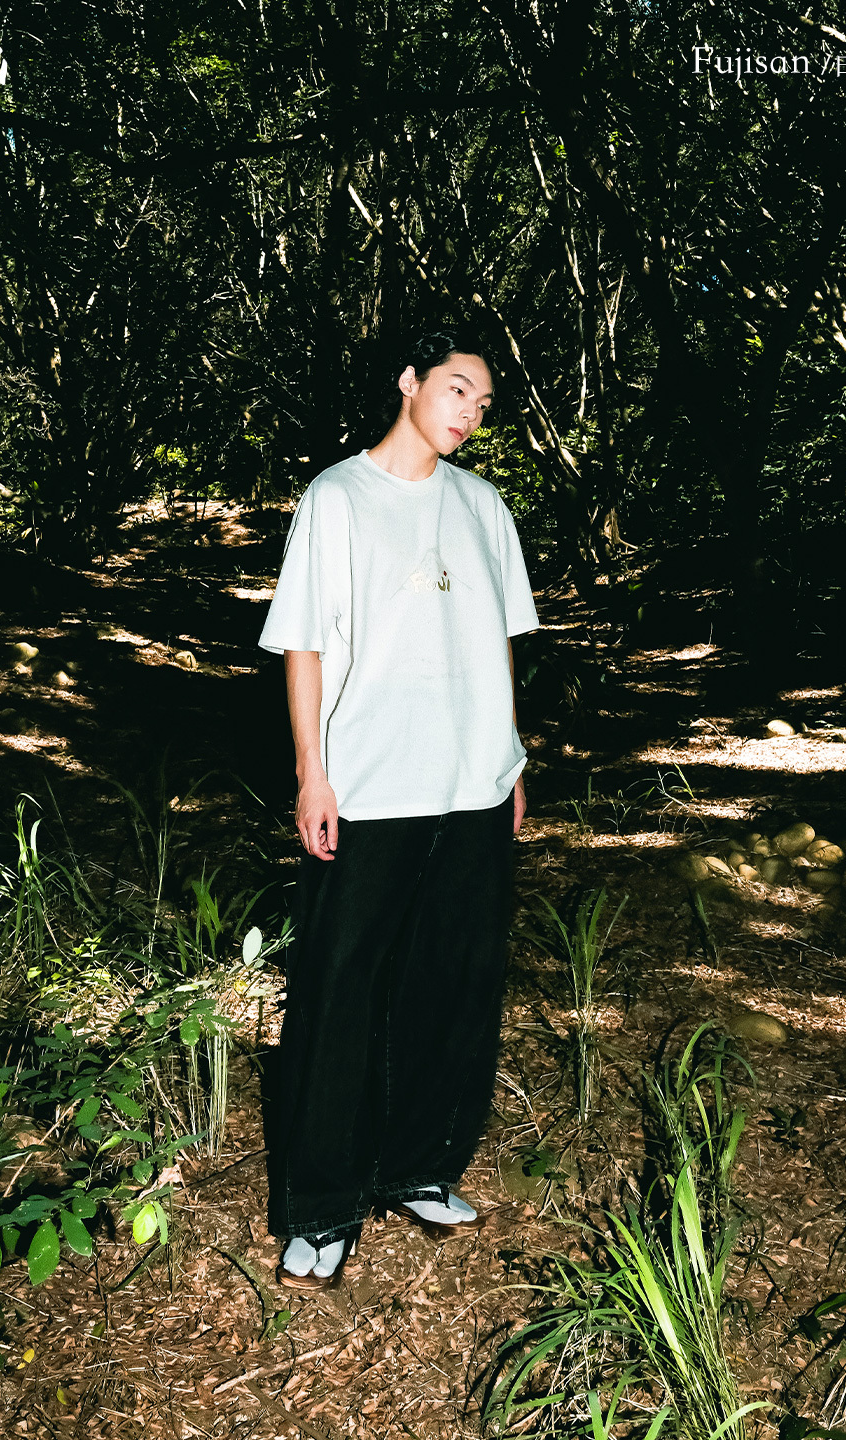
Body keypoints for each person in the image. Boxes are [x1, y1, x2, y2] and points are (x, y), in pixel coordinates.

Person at [258, 325, 539, 1289]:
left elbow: (500, 639)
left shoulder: (483, 505)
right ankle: (322, 1205)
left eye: (484, 403)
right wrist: (314, 773)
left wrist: (510, 758)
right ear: (411, 382)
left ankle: (420, 1166)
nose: (470, 412)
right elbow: (303, 645)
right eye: (458, 389)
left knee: (454, 985)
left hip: (472, 785)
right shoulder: (338, 498)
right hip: (373, 786)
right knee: (340, 994)